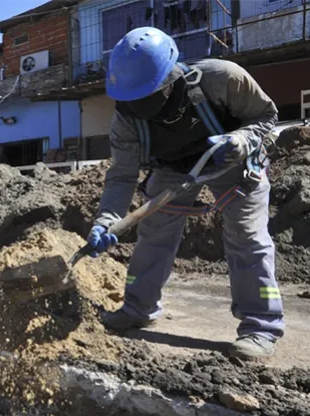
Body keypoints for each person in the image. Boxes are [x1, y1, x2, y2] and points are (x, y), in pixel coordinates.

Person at [89, 27, 283, 361]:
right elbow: (121, 175)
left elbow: (267, 117)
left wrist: (240, 141)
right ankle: (138, 308)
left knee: (247, 236)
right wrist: (107, 220)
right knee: (153, 235)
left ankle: (260, 326)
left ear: (168, 80)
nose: (137, 107)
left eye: (145, 98)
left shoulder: (220, 79)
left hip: (233, 161)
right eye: (129, 100)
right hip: (172, 169)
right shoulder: (126, 119)